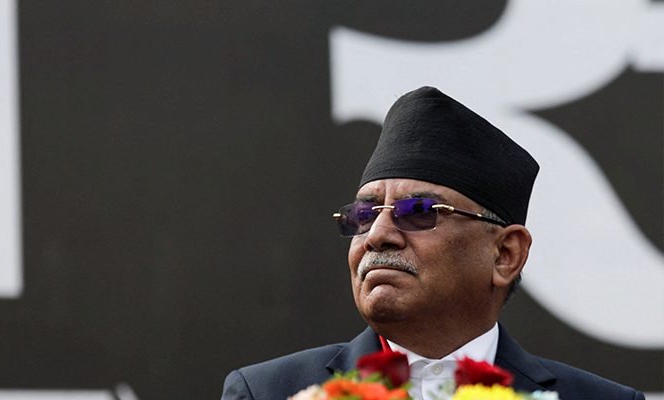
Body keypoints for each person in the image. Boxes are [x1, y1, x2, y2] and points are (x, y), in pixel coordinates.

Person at [220, 87, 645, 400]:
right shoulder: (269, 392)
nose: (379, 234)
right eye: (364, 214)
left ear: (505, 254)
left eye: (419, 212)